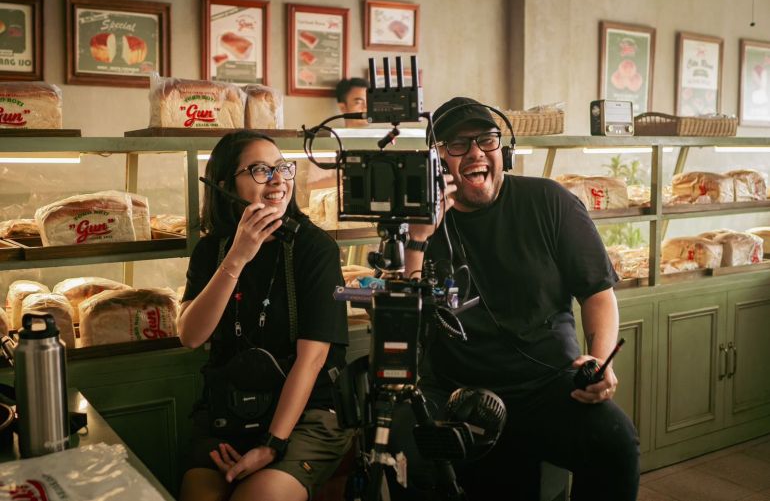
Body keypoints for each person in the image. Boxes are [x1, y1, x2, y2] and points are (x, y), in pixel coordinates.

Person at [388, 97, 640, 500]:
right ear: (437, 160)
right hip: (453, 391)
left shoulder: (550, 202)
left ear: (503, 150)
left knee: (615, 442)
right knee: (408, 449)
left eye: (486, 140)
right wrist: (418, 238)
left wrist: (599, 356)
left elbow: (598, 292)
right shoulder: (422, 221)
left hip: (547, 385)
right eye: (457, 144)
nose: (475, 153)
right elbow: (404, 323)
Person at [178, 130, 353, 501]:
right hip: (230, 413)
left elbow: (313, 359)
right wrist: (237, 257)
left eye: (282, 168)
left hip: (305, 414)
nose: (277, 180)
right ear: (225, 185)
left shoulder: (315, 248)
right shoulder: (212, 250)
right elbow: (190, 335)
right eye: (259, 170)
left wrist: (272, 444)